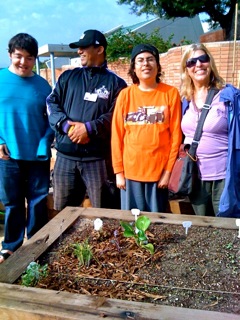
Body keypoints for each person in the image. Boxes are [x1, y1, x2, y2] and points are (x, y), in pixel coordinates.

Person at [47, 29, 127, 211]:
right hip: (65, 159)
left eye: (84, 47)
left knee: (106, 216)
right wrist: (66, 125)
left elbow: (116, 116)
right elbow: (51, 103)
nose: (79, 51)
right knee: (63, 217)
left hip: (98, 161)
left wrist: (89, 129)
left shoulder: (117, 84)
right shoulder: (68, 77)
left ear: (99, 49)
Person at [0, 33, 54, 263]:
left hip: (37, 155)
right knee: (12, 202)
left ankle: (35, 243)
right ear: (10, 54)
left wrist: (45, 143)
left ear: (35, 59)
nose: (23, 62)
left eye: (29, 58)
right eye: (19, 57)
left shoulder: (43, 86)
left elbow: (53, 120)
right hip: (8, 155)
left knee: (38, 201)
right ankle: (11, 245)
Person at [111, 44, 182, 212]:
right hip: (130, 174)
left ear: (157, 65)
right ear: (133, 68)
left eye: (150, 59)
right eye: (140, 60)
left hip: (158, 174)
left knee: (157, 227)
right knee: (132, 226)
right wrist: (119, 172)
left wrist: (167, 171)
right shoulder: (125, 95)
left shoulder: (170, 93)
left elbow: (175, 136)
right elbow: (117, 135)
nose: (146, 64)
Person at [180, 43, 240, 217]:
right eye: (191, 62)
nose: (198, 64)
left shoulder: (229, 96)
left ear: (210, 63)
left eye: (202, 59)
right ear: (187, 69)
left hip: (223, 177)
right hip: (195, 176)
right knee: (204, 228)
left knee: (226, 227)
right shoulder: (185, 100)